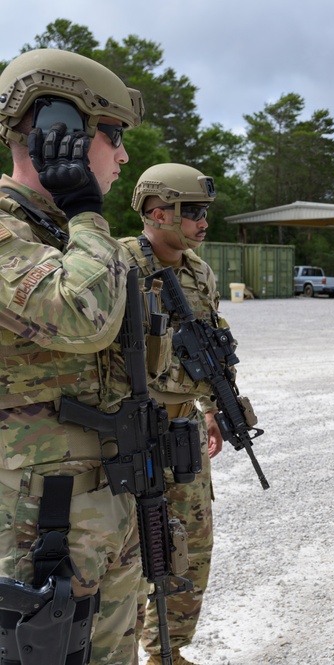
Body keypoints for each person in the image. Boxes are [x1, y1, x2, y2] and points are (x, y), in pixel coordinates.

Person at [0, 49, 147, 664]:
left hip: (100, 505)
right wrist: (89, 212)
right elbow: (79, 315)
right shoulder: (11, 231)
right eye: (112, 135)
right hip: (36, 522)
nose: (123, 155)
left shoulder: (60, 237)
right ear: (57, 127)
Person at [124, 163, 224, 665]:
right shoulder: (118, 265)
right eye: (193, 213)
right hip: (128, 432)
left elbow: (207, 348)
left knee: (191, 543)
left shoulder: (199, 271)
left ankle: (167, 651)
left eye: (206, 212)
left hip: (182, 430)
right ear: (157, 212)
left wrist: (216, 407)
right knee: (124, 551)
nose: (203, 223)